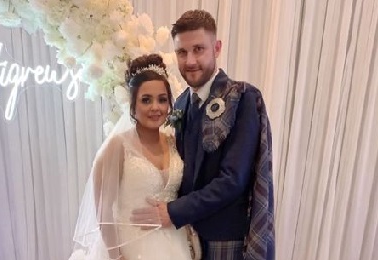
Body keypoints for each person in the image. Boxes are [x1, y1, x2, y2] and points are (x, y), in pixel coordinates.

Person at [131, 10, 275, 260]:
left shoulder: (242, 98)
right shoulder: (180, 104)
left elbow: (233, 179)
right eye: (182, 52)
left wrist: (174, 212)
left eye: (199, 49)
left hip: (223, 239)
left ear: (216, 48)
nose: (190, 61)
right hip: (182, 239)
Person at [68, 54, 193, 260]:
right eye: (146, 100)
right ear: (133, 105)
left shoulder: (173, 142)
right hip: (133, 248)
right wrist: (117, 256)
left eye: (162, 99)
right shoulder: (118, 146)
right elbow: (104, 210)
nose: (155, 107)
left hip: (175, 246)